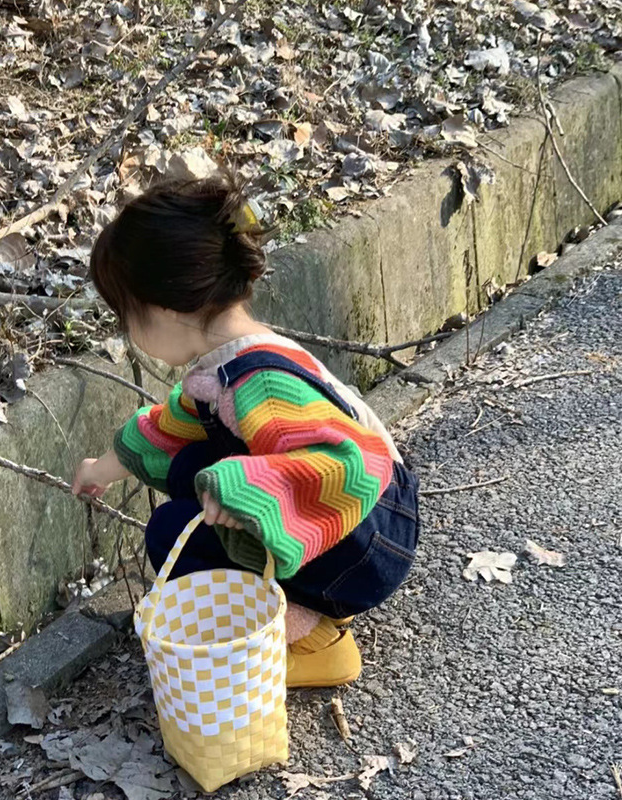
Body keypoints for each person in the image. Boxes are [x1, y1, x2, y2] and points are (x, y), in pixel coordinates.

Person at [72, 174, 420, 688]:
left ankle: (316, 642)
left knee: (172, 531)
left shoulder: (261, 386)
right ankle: (307, 597)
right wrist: (101, 469)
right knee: (192, 466)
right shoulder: (225, 365)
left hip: (370, 539)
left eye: (129, 316)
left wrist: (249, 491)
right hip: (353, 526)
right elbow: (170, 428)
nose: (131, 333)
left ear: (165, 307)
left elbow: (351, 465)